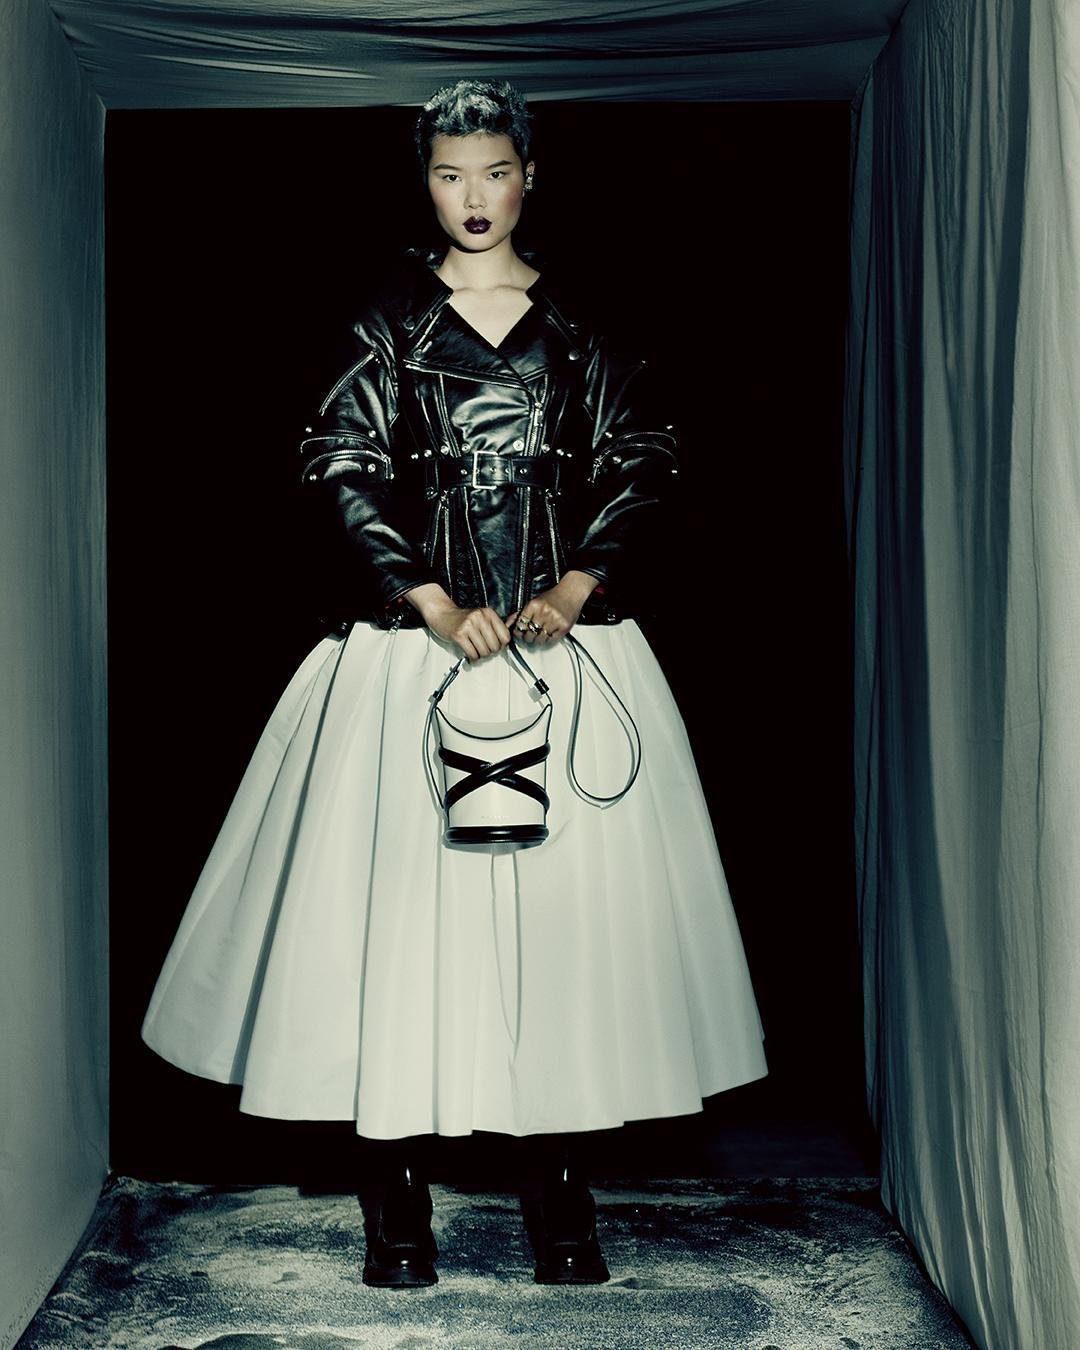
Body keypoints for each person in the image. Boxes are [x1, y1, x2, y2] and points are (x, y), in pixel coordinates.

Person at [141, 78, 767, 1289]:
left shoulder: (580, 322)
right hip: (407, 658)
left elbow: (645, 453)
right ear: (423, 183)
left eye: (493, 171)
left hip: (563, 653)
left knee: (565, 921)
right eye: (448, 174)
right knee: (398, 914)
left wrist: (576, 583)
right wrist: (429, 599)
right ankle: (397, 1195)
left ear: (529, 177)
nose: (472, 197)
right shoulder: (385, 319)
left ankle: (562, 1187)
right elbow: (339, 461)